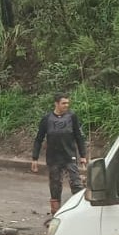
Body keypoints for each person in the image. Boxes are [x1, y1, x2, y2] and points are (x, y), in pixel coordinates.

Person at [31, 92, 87, 221]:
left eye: (68, 103)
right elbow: (39, 139)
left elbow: (79, 136)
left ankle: (80, 212)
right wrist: (35, 158)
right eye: (63, 103)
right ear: (56, 103)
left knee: (76, 184)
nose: (66, 105)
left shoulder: (72, 117)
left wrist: (83, 155)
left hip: (69, 155)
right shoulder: (47, 119)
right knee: (55, 186)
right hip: (53, 158)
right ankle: (56, 215)